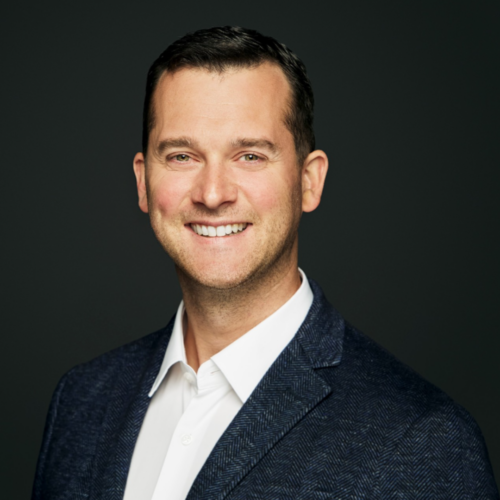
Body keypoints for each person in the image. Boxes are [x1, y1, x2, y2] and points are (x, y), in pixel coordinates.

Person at [32, 26, 498, 500]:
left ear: (309, 181)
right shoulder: (81, 401)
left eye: (250, 156)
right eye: (182, 156)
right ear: (143, 182)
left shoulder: (422, 443)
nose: (213, 193)